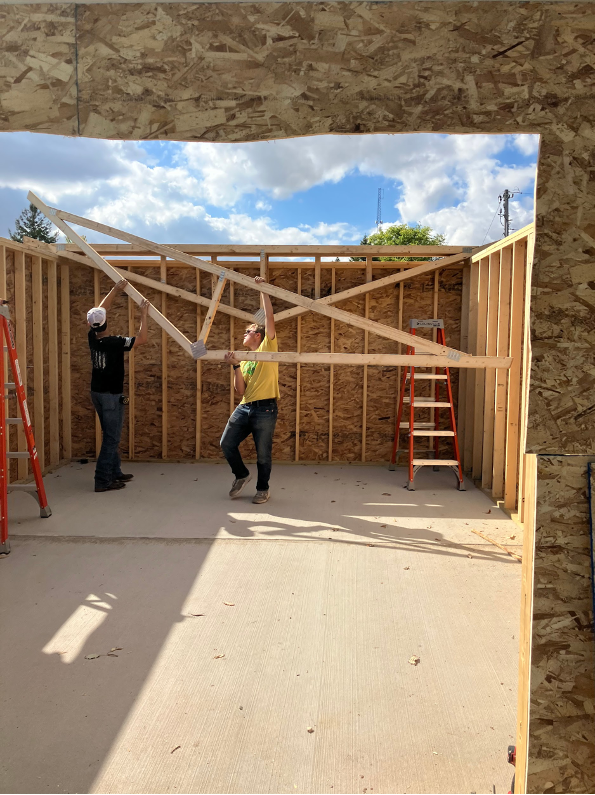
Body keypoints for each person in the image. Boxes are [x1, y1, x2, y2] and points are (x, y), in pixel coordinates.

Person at [87, 280, 149, 492]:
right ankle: (102, 481)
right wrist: (144, 313)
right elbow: (142, 339)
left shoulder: (92, 337)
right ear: (106, 323)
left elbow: (101, 310)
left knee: (109, 434)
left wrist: (114, 289)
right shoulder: (114, 342)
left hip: (97, 393)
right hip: (112, 396)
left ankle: (115, 472)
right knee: (112, 438)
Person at [221, 276, 279, 504]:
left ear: (257, 335)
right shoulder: (243, 360)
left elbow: (270, 318)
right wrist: (235, 366)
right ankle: (241, 475)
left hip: (266, 409)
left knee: (263, 453)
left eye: (247, 331)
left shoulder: (268, 346)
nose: (244, 335)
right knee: (226, 443)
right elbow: (240, 390)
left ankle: (262, 489)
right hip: (245, 407)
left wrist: (262, 289)